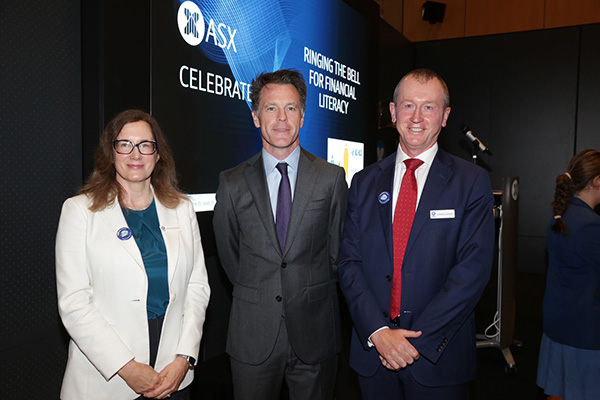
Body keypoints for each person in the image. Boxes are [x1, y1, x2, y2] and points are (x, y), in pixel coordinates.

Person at [338, 69, 495, 399]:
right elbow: (349, 263)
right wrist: (379, 332)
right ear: (393, 112)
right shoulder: (364, 182)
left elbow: (472, 272)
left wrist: (413, 342)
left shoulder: (471, 182)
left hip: (438, 357)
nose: (417, 117)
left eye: (429, 107)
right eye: (408, 105)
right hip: (373, 353)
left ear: (445, 116)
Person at [55, 109, 211, 400]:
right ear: (111, 152)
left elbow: (197, 288)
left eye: (145, 145)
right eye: (124, 144)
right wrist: (126, 367)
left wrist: (184, 357)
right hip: (108, 378)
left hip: (172, 374)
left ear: (158, 154)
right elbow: (74, 303)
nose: (135, 154)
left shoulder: (182, 208)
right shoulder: (79, 211)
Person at [213, 69, 348, 400]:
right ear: (256, 117)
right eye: (271, 108)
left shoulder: (331, 179)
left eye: (290, 108)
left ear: (302, 116)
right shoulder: (232, 183)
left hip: (316, 334)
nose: (281, 118)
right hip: (253, 334)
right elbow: (231, 258)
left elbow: (337, 253)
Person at [536, 149, 600, 400]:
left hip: (559, 324)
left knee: (559, 390)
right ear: (597, 181)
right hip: (583, 331)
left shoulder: (562, 216)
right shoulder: (590, 224)